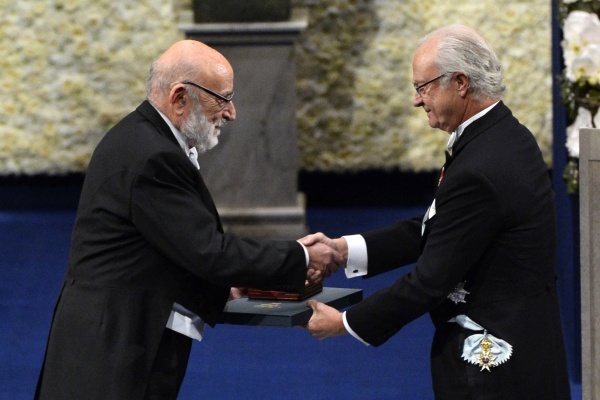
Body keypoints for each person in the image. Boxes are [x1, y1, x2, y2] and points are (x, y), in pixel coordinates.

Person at [35, 39, 341, 400]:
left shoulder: (145, 139)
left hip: (114, 339)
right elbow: (209, 252)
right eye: (222, 98)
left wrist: (221, 287)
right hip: (113, 353)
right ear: (179, 98)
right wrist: (301, 257)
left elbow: (167, 250)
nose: (231, 113)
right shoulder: (152, 157)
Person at [301, 24, 571, 399]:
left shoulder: (482, 165)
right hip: (524, 351)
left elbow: (430, 281)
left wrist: (346, 322)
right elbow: (438, 227)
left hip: (493, 369)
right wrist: (343, 250)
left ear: (460, 82)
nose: (416, 100)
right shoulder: (503, 135)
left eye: (422, 87)